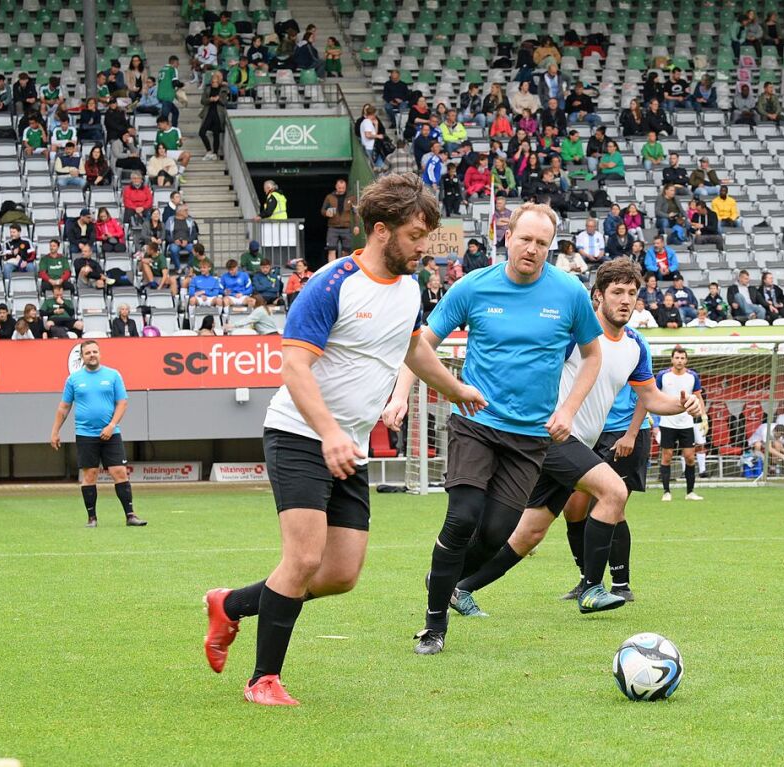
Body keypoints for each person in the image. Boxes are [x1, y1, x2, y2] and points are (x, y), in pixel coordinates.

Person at [202, 175, 483, 704]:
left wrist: (456, 387)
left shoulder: (409, 287)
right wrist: (329, 433)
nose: (426, 247)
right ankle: (263, 679)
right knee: (303, 559)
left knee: (340, 574)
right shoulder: (333, 283)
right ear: (381, 231)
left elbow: (412, 348)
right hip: (301, 435)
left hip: (344, 445)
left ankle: (230, 605)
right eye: (417, 235)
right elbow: (294, 366)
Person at [377, 202, 605, 654]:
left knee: (498, 533)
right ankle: (434, 625)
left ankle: (442, 576)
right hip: (475, 422)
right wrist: (400, 393)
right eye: (525, 239)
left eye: (543, 243)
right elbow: (421, 345)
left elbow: (593, 355)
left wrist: (568, 410)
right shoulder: (473, 287)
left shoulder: (570, 292)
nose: (533, 249)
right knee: (462, 518)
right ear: (507, 238)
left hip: (530, 437)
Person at [442, 259, 700, 617]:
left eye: (632, 293)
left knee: (529, 534)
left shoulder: (636, 345)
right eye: (617, 292)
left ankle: (456, 586)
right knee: (613, 491)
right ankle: (592, 587)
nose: (625, 300)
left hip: (576, 444)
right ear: (597, 296)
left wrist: (684, 404)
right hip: (551, 437)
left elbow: (652, 399)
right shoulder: (574, 335)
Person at [50, 341, 146, 527]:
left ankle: (130, 515)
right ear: (82, 357)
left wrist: (111, 425)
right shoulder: (74, 379)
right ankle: (92, 518)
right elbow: (64, 407)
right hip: (85, 434)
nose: (92, 355)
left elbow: (122, 402)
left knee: (119, 472)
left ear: (100, 354)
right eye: (88, 353)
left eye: (95, 351)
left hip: (111, 433)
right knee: (90, 475)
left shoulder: (113, 375)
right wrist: (55, 431)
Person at [655, 347, 705, 502]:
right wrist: (655, 423)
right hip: (667, 422)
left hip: (686, 423)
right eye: (677, 358)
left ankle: (690, 492)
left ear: (686, 360)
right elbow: (654, 397)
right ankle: (666, 492)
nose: (679, 361)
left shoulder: (692, 377)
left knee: (690, 457)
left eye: (682, 358)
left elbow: (698, 397)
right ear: (672, 359)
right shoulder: (663, 376)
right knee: (667, 457)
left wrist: (704, 417)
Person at [321, 179, 359, 261]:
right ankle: (332, 268)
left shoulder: (351, 198)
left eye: (343, 188)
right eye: (339, 188)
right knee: (331, 250)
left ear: (345, 187)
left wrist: (356, 225)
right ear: (336, 187)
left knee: (346, 251)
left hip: (346, 227)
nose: (341, 189)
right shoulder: (329, 197)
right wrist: (326, 213)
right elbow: (323, 211)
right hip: (332, 227)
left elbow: (355, 212)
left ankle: (343, 269)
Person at [199, 71, 229, 159]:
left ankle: (215, 153)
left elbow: (225, 102)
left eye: (215, 81)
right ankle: (209, 150)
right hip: (208, 112)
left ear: (219, 81)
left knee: (216, 133)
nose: (214, 83)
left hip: (218, 113)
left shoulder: (224, 89)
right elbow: (202, 101)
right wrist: (210, 99)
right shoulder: (207, 88)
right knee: (201, 132)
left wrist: (218, 99)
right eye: (212, 81)